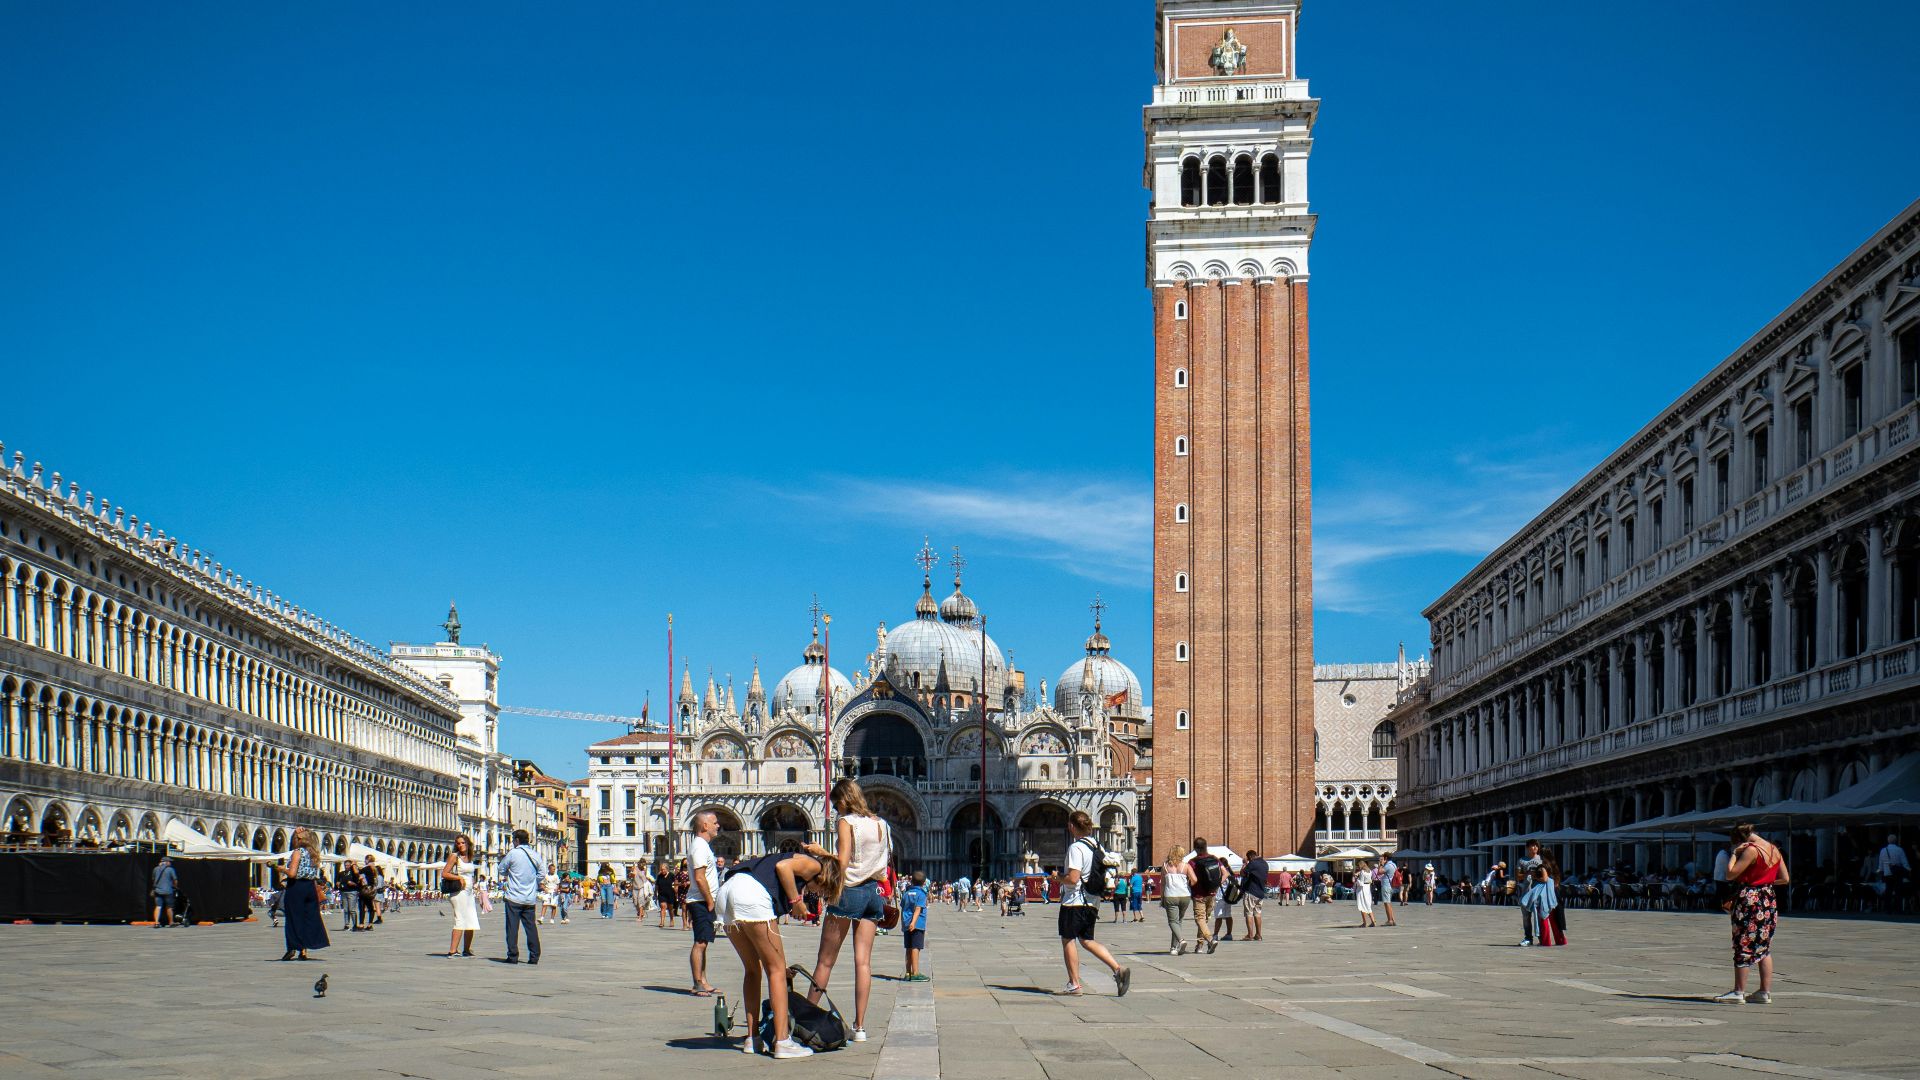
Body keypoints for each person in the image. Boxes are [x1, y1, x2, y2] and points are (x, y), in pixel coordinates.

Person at [716, 847, 846, 1059]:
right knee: (776, 972)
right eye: (823, 890)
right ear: (827, 877)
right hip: (750, 893)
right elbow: (782, 867)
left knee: (753, 969)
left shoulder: (797, 868)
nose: (817, 893)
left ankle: (753, 1038)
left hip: (728, 891)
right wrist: (797, 902)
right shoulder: (815, 865)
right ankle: (783, 1041)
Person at [802, 778, 891, 1044]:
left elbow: (841, 863)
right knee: (863, 962)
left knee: (825, 961)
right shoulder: (882, 824)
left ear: (842, 800)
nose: (836, 809)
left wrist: (820, 852)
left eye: (836, 803)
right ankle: (859, 1027)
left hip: (848, 893)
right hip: (874, 894)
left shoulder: (847, 822)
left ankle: (805, 1017)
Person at [1054, 810, 1130, 997]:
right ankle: (1118, 969)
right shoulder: (1096, 845)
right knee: (1086, 940)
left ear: (1072, 826)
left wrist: (1058, 877)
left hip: (1075, 901)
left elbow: (1073, 878)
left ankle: (1074, 984)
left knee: (1068, 939)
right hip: (1092, 901)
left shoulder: (1076, 848)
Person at [1717, 823, 1788, 1005]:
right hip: (1768, 898)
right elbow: (1785, 878)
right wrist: (1765, 881)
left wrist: (1734, 854)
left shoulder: (1751, 850)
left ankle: (1738, 992)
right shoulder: (1774, 849)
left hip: (1750, 898)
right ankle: (1764, 992)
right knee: (1763, 946)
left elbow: (1730, 874)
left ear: (1740, 839)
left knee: (1744, 942)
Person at [271, 827, 330, 961]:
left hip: (297, 887)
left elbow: (292, 873)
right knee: (307, 918)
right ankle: (303, 951)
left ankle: (292, 947)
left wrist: (281, 869)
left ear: (298, 839)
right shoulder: (314, 854)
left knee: (293, 918)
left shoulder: (297, 853)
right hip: (310, 888)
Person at [499, 829, 545, 965]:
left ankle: (513, 956)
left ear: (517, 840)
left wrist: (512, 874)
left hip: (514, 897)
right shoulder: (535, 854)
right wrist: (532, 881)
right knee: (531, 927)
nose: (513, 842)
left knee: (512, 928)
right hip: (529, 898)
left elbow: (501, 869)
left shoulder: (513, 853)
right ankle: (534, 956)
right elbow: (542, 873)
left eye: (513, 840)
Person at [443, 833, 480, 958]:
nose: (460, 845)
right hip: (459, 893)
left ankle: (466, 949)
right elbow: (445, 873)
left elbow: (470, 875)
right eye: (458, 843)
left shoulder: (469, 857)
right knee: (460, 919)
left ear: (467, 844)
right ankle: (452, 950)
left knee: (471, 920)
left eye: (462, 843)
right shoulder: (455, 856)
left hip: (469, 893)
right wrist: (459, 877)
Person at [1187, 839, 1222, 953]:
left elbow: (1191, 879)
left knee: (1200, 919)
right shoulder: (1214, 858)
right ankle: (1200, 946)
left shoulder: (1192, 862)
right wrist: (1217, 885)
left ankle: (1210, 939)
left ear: (1195, 848)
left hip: (1199, 895)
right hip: (1212, 893)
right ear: (1206, 846)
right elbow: (1225, 873)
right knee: (1204, 920)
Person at [1159, 845, 1194, 954]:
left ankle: (1181, 940)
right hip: (1185, 896)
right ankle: (1173, 948)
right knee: (1178, 922)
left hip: (1171, 896)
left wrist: (1162, 898)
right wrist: (1187, 883)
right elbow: (1194, 880)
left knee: (1172, 922)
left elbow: (1163, 884)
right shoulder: (1186, 866)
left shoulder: (1165, 866)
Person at [1522, 866, 1563, 946]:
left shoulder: (1543, 870)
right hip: (1548, 897)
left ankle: (1545, 941)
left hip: (1542, 899)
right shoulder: (1549, 877)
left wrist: (1535, 877)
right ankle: (1558, 940)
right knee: (1552, 920)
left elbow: (1544, 879)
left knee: (1544, 920)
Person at [902, 871, 930, 982]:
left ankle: (908, 972)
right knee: (915, 948)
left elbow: (903, 908)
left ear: (912, 881)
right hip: (917, 925)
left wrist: (904, 923)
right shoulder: (921, 894)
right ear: (924, 883)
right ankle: (916, 973)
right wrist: (914, 923)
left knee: (908, 948)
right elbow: (918, 909)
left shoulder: (906, 893)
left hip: (906, 923)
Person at [1515, 841, 1544, 944]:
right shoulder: (1522, 861)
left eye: (1537, 845)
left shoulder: (1542, 860)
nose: (1535, 847)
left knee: (1541, 916)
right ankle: (1528, 938)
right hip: (1526, 892)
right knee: (1526, 917)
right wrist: (1527, 873)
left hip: (1539, 892)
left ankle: (1542, 938)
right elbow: (1518, 876)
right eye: (1533, 845)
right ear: (1527, 847)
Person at [1240, 850, 1269, 940]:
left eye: (1248, 859)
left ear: (1250, 857)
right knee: (1258, 913)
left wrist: (1245, 863)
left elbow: (1242, 873)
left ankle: (1250, 935)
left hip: (1251, 891)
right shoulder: (1265, 863)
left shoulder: (1252, 863)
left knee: (1249, 913)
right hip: (1260, 892)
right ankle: (1258, 935)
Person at [335, 858, 365, 932]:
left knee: (352, 909)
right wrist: (338, 884)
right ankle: (346, 924)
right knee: (345, 909)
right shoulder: (341, 873)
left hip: (352, 891)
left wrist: (353, 883)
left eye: (348, 865)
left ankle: (355, 924)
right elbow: (337, 881)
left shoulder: (354, 874)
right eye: (345, 865)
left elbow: (359, 884)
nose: (347, 867)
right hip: (343, 892)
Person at [151, 856, 178, 928]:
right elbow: (175, 879)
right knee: (169, 907)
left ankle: (156, 922)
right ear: (166, 862)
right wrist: (175, 886)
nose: (170, 863)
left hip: (157, 891)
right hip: (168, 891)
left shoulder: (155, 869)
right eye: (169, 861)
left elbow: (153, 879)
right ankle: (171, 922)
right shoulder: (170, 869)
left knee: (158, 906)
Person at [361, 855, 384, 930]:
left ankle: (362, 924)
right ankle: (370, 924)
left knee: (365, 907)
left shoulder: (367, 869)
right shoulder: (376, 871)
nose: (364, 861)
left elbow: (360, 875)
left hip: (367, 890)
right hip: (373, 891)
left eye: (365, 860)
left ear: (367, 860)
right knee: (371, 907)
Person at [1375, 855, 1398, 927]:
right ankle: (1392, 919)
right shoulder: (1394, 864)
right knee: (1389, 903)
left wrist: (1381, 864)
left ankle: (1390, 920)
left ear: (1386, 858)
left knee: (1386, 903)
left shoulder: (1388, 865)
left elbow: (1379, 872)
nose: (1382, 860)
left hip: (1386, 885)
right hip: (1390, 885)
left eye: (1383, 859)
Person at [1355, 861, 1377, 927]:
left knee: (1362, 906)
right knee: (1368, 906)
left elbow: (1361, 883)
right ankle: (1373, 921)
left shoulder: (1362, 872)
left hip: (1362, 890)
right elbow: (1370, 880)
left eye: (1358, 866)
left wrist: (1356, 878)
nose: (1358, 867)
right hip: (1367, 889)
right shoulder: (1370, 871)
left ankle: (1365, 923)